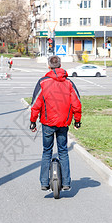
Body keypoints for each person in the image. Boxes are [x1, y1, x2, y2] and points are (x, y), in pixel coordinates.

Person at [30, 55, 82, 191]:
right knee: (63, 151)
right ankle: (66, 183)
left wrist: (33, 122)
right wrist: (77, 121)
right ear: (60, 65)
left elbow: (36, 104)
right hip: (63, 123)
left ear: (49, 66)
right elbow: (77, 104)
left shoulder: (43, 82)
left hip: (47, 123)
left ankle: (44, 183)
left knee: (47, 152)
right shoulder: (69, 83)